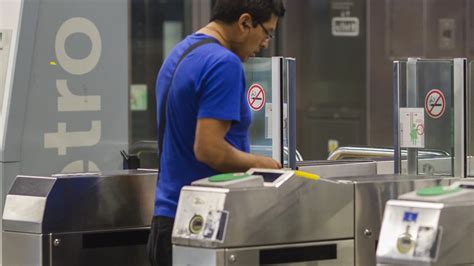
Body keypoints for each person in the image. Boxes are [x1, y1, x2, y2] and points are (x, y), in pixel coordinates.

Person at [147, 1, 286, 265]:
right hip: (204, 222)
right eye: (267, 32)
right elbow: (208, 148)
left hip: (167, 220)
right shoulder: (224, 63)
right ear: (245, 22)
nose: (266, 43)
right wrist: (265, 165)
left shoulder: (181, 52)